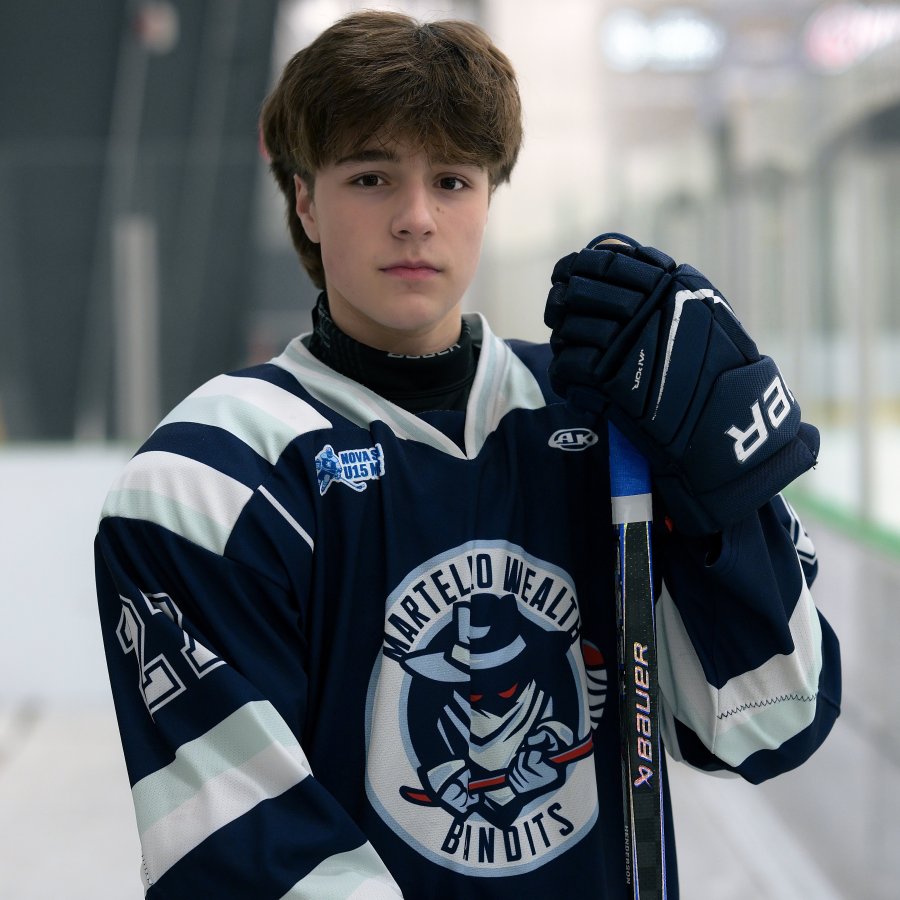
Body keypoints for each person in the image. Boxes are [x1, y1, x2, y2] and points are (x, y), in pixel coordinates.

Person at [95, 10, 840, 898]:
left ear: (489, 196)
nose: (416, 218)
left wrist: (727, 504)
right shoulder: (209, 480)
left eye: (452, 180)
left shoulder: (608, 427)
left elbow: (768, 726)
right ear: (305, 201)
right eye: (371, 177)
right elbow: (242, 854)